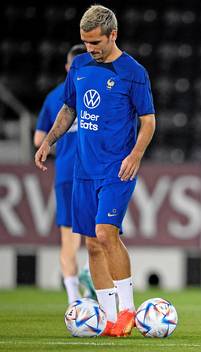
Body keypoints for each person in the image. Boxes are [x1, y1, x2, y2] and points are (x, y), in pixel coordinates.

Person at [34, 4, 156, 337]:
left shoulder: (133, 72)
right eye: (86, 43)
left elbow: (148, 121)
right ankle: (108, 316)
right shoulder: (80, 66)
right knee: (90, 243)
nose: (91, 49)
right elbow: (70, 107)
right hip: (83, 170)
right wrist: (49, 142)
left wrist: (136, 154)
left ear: (112, 34)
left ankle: (128, 310)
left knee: (106, 233)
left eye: (96, 43)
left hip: (117, 169)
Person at [34, 44, 96, 304]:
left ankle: (74, 301)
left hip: (67, 174)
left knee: (69, 239)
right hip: (93, 173)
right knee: (96, 235)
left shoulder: (54, 97)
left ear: (68, 67)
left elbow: (39, 139)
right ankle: (88, 277)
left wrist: (60, 142)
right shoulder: (95, 92)